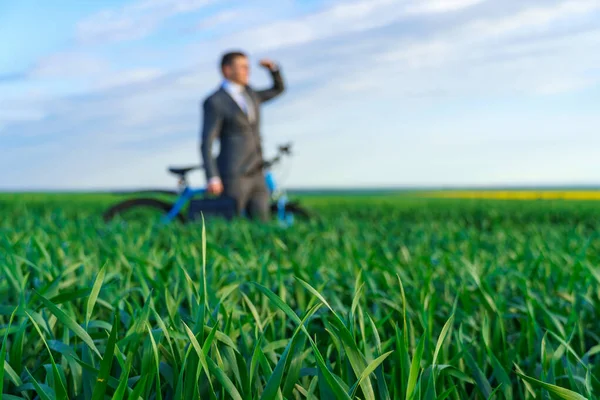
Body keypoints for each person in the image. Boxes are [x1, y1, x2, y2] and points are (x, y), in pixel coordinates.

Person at [200, 50, 285, 221]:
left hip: (256, 170)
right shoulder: (215, 101)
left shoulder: (251, 94)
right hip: (233, 173)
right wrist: (212, 176)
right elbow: (207, 141)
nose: (248, 71)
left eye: (248, 67)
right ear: (227, 70)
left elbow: (278, 89)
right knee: (232, 222)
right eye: (243, 67)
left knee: (262, 221)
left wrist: (273, 69)